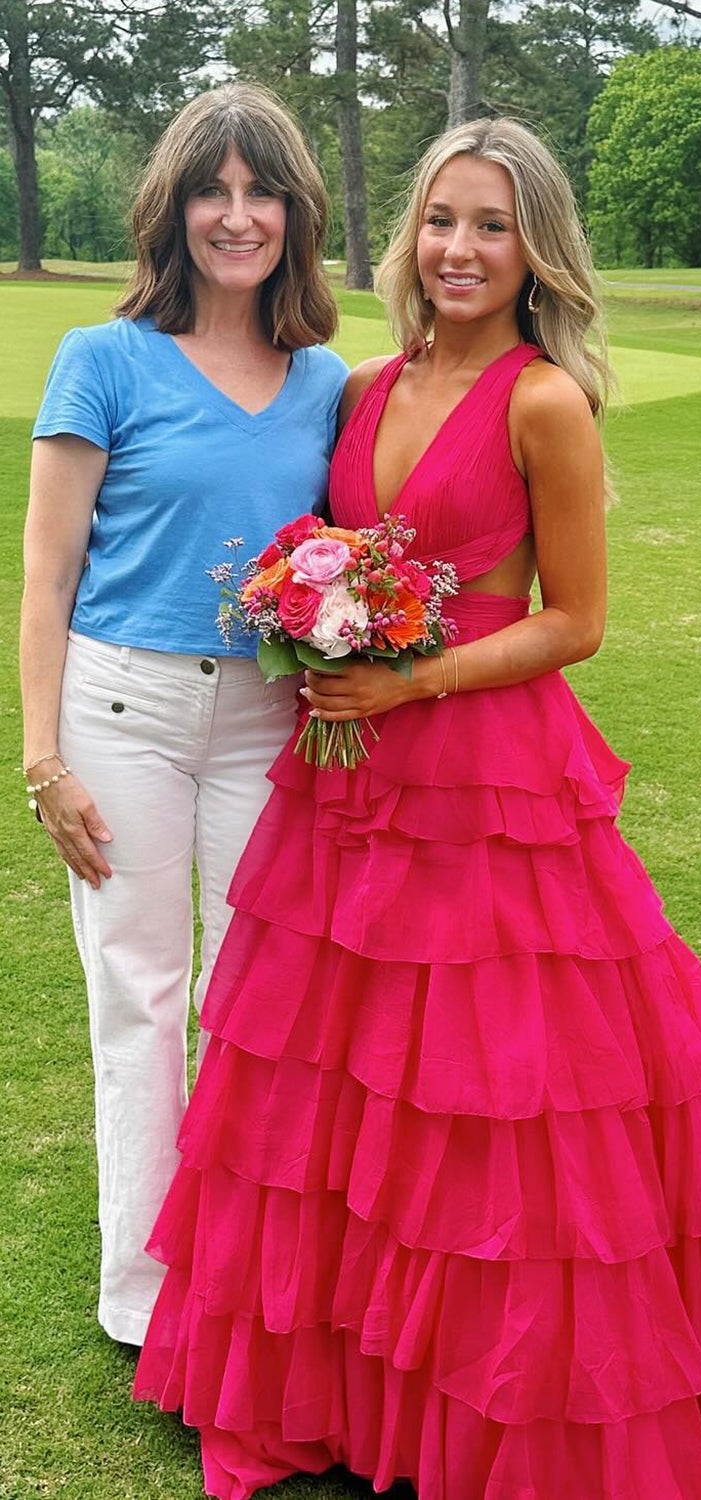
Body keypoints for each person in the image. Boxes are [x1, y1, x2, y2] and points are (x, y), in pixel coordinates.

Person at [133, 119, 701, 1500]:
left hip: (492, 782)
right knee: (353, 1078)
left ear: (537, 251)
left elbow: (578, 622)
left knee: (496, 1087)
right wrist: (319, 619)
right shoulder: (358, 386)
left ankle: (500, 1389)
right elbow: (329, 547)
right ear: (407, 236)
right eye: (441, 221)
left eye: (492, 225)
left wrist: (416, 684)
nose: (459, 250)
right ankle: (361, 1381)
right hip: (354, 785)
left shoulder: (545, 403)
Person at [19, 82, 348, 1349]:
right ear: (171, 208)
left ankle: (264, 1285)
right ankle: (148, 1302)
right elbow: (46, 573)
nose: (237, 214)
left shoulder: (324, 380)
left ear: (294, 213)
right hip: (123, 710)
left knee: (270, 1003)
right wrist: (42, 757)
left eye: (261, 190)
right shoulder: (102, 358)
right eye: (212, 189)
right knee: (142, 999)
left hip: (275, 723)